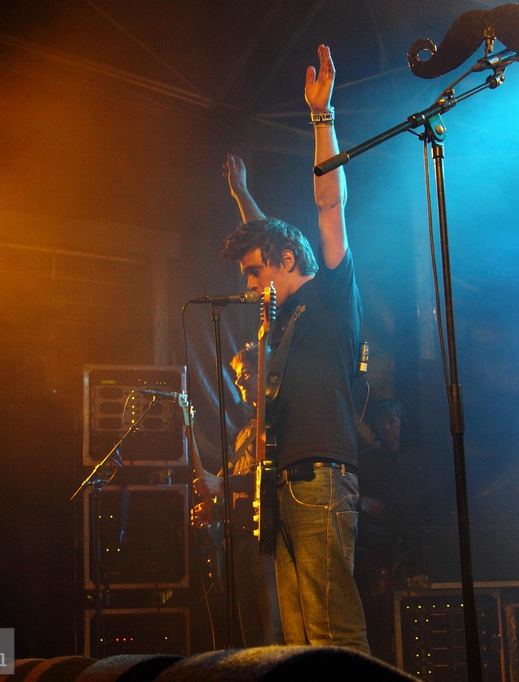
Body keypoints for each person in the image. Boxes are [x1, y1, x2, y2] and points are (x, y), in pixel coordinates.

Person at [217, 44, 369, 653]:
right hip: (282, 485)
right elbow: (267, 239)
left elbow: (328, 205)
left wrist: (321, 116)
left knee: (332, 632)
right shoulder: (277, 316)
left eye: (257, 275)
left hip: (322, 479)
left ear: (287, 263)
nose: (251, 288)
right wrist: (241, 196)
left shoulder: (330, 292)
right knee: (300, 642)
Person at [191, 343, 283, 647]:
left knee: (273, 635)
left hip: (267, 544)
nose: (239, 381)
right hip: (240, 543)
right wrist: (213, 506)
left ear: (264, 373)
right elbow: (236, 480)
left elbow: (267, 477)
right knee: (251, 640)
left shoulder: (276, 422)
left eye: (245, 374)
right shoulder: (245, 432)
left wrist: (221, 486)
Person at [355, 398, 426, 662]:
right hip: (378, 548)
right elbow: (349, 493)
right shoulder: (366, 460)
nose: (388, 427)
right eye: (382, 422)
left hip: (410, 542)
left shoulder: (414, 457)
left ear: (400, 423)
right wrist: (363, 502)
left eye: (392, 421)